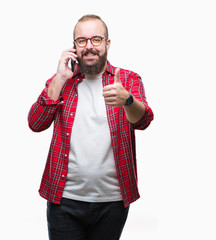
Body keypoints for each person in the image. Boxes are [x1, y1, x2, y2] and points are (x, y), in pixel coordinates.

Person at [27, 14, 154, 240]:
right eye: (81, 41)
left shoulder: (127, 79)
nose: (89, 47)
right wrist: (59, 77)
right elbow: (35, 124)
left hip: (112, 201)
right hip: (64, 199)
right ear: (74, 46)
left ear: (107, 43)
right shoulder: (60, 82)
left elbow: (143, 121)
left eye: (96, 39)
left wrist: (127, 100)